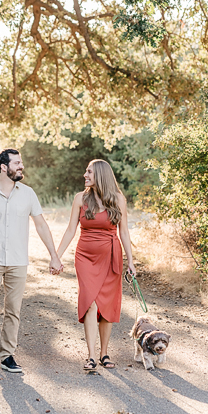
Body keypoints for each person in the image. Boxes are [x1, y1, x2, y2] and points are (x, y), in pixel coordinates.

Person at [0, 149, 62, 373]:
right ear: (4, 166)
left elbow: (41, 225)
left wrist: (54, 254)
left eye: (21, 162)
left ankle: (7, 355)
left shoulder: (28, 194)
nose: (22, 166)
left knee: (13, 310)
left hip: (18, 261)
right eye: (17, 163)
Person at [55, 159, 136, 371]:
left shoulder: (118, 199)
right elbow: (71, 230)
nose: (85, 175)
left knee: (107, 305)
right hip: (85, 257)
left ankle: (104, 353)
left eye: (89, 172)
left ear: (100, 174)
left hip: (110, 256)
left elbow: (124, 232)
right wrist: (57, 256)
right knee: (89, 301)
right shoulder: (80, 199)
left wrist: (131, 262)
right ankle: (91, 356)